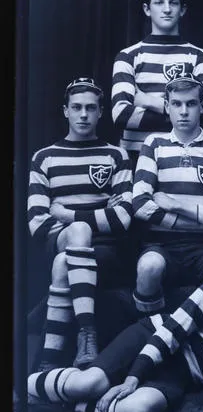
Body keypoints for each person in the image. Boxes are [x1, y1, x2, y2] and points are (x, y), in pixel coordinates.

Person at [27, 239, 203, 412]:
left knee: (140, 409)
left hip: (182, 372)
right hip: (152, 337)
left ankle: (73, 406)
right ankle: (22, 389)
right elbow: (171, 332)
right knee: (88, 384)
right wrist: (133, 378)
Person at [27, 78, 134, 370]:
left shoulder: (116, 155)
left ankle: (49, 360)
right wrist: (97, 213)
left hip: (106, 250)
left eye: (90, 108)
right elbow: (37, 222)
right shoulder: (44, 158)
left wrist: (64, 213)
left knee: (65, 263)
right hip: (59, 239)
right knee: (79, 232)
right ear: (66, 111)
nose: (84, 114)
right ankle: (88, 334)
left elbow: (123, 218)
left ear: (101, 112)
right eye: (77, 108)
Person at [131, 70, 203, 316]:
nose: (183, 111)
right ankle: (151, 331)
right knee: (148, 267)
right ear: (166, 106)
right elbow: (139, 204)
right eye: (177, 104)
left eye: (191, 104)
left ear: (202, 107)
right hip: (161, 246)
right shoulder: (154, 145)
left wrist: (174, 205)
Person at [111, 0, 203, 164]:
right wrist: (185, 109)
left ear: (182, 10)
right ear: (147, 9)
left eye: (173, 3)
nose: (166, 9)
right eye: (159, 2)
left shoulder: (199, 56)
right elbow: (121, 116)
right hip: (136, 154)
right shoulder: (128, 56)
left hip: (184, 154)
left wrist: (147, 101)